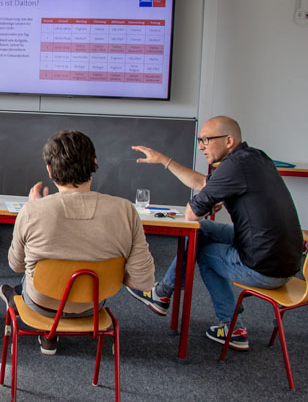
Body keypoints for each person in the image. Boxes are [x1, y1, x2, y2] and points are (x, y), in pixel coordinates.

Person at [127, 116, 302, 351]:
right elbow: (203, 183)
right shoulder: (255, 158)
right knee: (203, 230)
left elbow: (191, 214)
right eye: (201, 140)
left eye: (207, 140)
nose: (201, 146)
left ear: (228, 140)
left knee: (203, 250)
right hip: (287, 261)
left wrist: (206, 204)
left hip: (265, 268)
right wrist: (164, 161)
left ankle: (232, 327)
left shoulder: (234, 166)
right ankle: (162, 294)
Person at [0, 130, 155, 355]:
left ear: (49, 170)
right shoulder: (125, 211)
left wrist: (34, 210)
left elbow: (16, 265)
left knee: (28, 278)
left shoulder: (32, 210)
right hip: (91, 308)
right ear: (94, 163)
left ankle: (45, 331)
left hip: (41, 306)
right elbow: (144, 281)